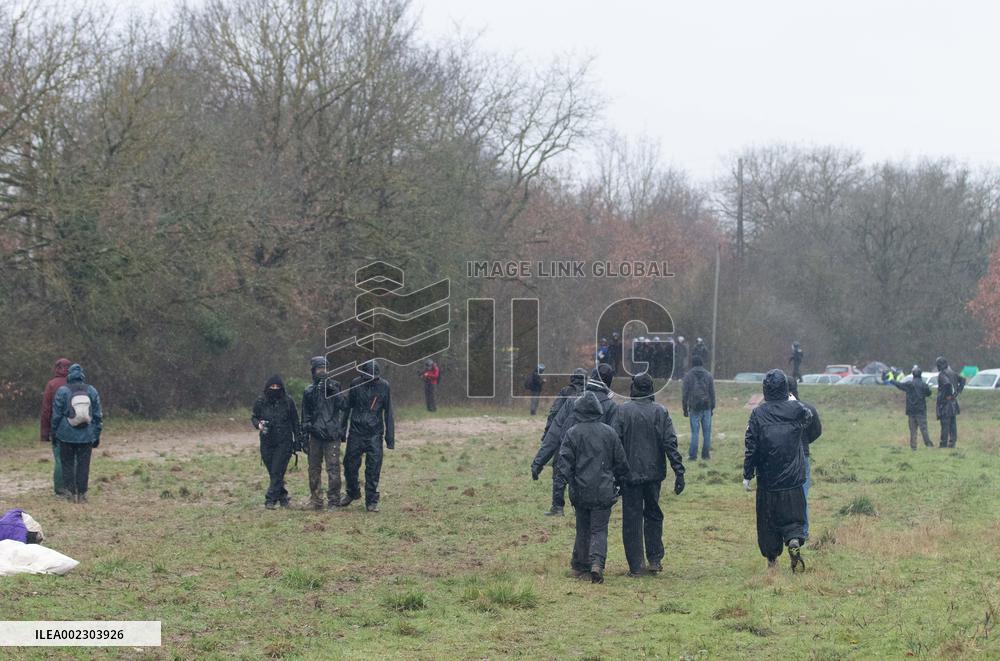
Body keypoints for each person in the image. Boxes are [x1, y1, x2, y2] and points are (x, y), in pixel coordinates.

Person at [614, 373, 685, 576]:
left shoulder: (622, 411)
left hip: (629, 475)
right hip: (654, 474)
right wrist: (679, 471)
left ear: (634, 388)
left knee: (632, 519)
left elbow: (614, 445)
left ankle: (636, 565)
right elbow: (670, 443)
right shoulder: (660, 412)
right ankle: (654, 559)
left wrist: (614, 474)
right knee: (653, 514)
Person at [557, 391, 630, 584]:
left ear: (579, 411)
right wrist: (620, 485)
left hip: (581, 491)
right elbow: (621, 463)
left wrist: (558, 497)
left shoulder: (572, 433)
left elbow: (563, 466)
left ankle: (581, 566)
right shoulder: (609, 432)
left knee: (583, 528)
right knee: (599, 529)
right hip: (604, 490)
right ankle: (597, 563)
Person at [743, 369, 811, 572]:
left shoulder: (758, 414)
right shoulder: (796, 409)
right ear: (785, 389)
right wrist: (794, 402)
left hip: (768, 481)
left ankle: (772, 560)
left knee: (768, 523)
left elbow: (751, 445)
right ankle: (793, 539)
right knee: (794, 518)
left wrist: (747, 473)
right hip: (793, 479)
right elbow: (809, 418)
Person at [531, 364, 617, 516]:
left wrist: (539, 461)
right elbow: (616, 439)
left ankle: (558, 507)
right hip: (597, 457)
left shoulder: (571, 399)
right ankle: (587, 510)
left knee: (561, 471)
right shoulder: (611, 406)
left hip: (569, 446)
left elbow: (555, 428)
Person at [341, 360, 395, 512]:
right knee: (349, 465)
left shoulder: (384, 386)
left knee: (373, 468)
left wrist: (390, 438)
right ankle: (352, 492)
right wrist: (342, 430)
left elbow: (388, 412)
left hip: (375, 433)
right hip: (356, 431)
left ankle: (371, 501)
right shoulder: (355, 384)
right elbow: (347, 407)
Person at [50, 364, 103, 504]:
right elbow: (97, 415)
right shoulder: (91, 390)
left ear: (69, 375)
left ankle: (70, 493)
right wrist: (96, 434)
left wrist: (54, 433)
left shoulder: (62, 391)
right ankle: (82, 494)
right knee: (83, 465)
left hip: (65, 435)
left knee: (67, 464)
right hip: (86, 436)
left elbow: (56, 415)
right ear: (82, 375)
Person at [301, 357, 347, 510]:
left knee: (333, 468)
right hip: (315, 436)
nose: (322, 372)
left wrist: (335, 392)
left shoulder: (335, 386)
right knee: (313, 468)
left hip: (332, 435)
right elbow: (305, 416)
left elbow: (344, 406)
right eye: (319, 369)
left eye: (325, 369)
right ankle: (316, 500)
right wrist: (307, 434)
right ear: (313, 371)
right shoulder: (309, 391)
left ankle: (334, 500)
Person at [252, 375, 301, 509]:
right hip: (267, 441)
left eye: (277, 386)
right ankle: (283, 496)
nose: (275, 389)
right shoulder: (261, 401)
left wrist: (298, 440)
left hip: (284, 441)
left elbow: (295, 421)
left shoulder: (288, 401)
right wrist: (259, 425)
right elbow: (254, 417)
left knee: (277, 470)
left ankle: (270, 499)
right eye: (272, 386)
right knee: (273, 472)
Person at [787, 379, 822, 539]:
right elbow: (817, 431)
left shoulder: (778, 411)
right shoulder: (809, 409)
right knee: (802, 495)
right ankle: (803, 531)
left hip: (783, 456)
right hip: (803, 454)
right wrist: (805, 442)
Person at [40, 358, 71, 497]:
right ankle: (73, 487)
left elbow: (46, 410)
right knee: (73, 459)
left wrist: (45, 433)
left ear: (56, 368)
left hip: (58, 428)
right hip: (75, 427)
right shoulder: (77, 384)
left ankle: (59, 490)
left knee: (59, 459)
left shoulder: (52, 384)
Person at [888, 366, 933, 450]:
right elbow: (929, 393)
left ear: (913, 375)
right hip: (921, 410)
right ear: (920, 374)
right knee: (924, 429)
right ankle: (928, 444)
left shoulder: (909, 384)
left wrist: (892, 380)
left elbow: (899, 385)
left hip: (911, 410)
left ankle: (913, 446)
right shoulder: (923, 385)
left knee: (913, 430)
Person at [682, 355, 716, 460]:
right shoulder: (708, 375)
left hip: (694, 407)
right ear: (702, 363)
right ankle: (705, 455)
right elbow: (712, 393)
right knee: (707, 433)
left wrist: (685, 408)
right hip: (706, 406)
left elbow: (685, 394)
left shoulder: (688, 376)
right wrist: (712, 407)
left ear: (692, 364)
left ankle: (693, 456)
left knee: (695, 433)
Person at [935, 356, 965, 448]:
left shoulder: (942, 374)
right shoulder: (952, 372)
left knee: (945, 424)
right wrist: (956, 393)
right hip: (953, 402)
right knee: (952, 424)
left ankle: (943, 444)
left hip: (945, 403)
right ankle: (952, 443)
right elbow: (963, 380)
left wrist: (946, 395)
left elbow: (947, 384)